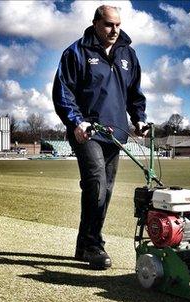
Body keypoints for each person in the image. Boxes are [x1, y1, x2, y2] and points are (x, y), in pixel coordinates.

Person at [52, 5, 147, 269]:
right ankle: (95, 245)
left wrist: (139, 119)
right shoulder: (76, 52)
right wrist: (76, 122)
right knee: (95, 183)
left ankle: (84, 244)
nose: (115, 30)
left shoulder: (128, 54)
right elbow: (63, 93)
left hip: (115, 133)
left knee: (104, 190)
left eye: (117, 24)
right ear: (95, 23)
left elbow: (134, 94)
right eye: (108, 24)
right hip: (87, 131)